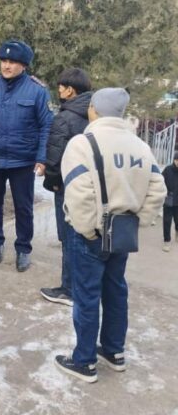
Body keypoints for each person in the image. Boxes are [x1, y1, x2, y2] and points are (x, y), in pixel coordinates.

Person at [55, 88, 166, 383]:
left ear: (93, 108)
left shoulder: (83, 143)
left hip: (89, 233)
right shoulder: (140, 146)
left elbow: (79, 192)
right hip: (121, 232)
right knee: (116, 290)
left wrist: (88, 229)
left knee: (86, 296)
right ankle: (114, 351)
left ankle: (84, 361)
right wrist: (137, 221)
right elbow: (158, 189)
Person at [0, 39, 53, 272]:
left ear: (23, 65)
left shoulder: (37, 91)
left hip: (22, 160)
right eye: (3, 60)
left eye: (12, 62)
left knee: (23, 207)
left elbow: (46, 126)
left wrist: (42, 158)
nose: (6, 65)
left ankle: (23, 248)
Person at [40, 68, 92, 306]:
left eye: (61, 86)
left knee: (69, 238)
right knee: (85, 237)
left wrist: (52, 183)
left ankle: (68, 289)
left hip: (67, 185)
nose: (58, 90)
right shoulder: (95, 113)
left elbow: (55, 157)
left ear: (70, 90)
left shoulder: (65, 117)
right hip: (91, 185)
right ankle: (83, 285)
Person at [162, 152, 178, 252]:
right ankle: (167, 241)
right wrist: (165, 192)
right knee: (167, 222)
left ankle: (177, 232)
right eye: (177, 160)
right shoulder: (167, 170)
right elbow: (160, 181)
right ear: (174, 160)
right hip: (169, 199)